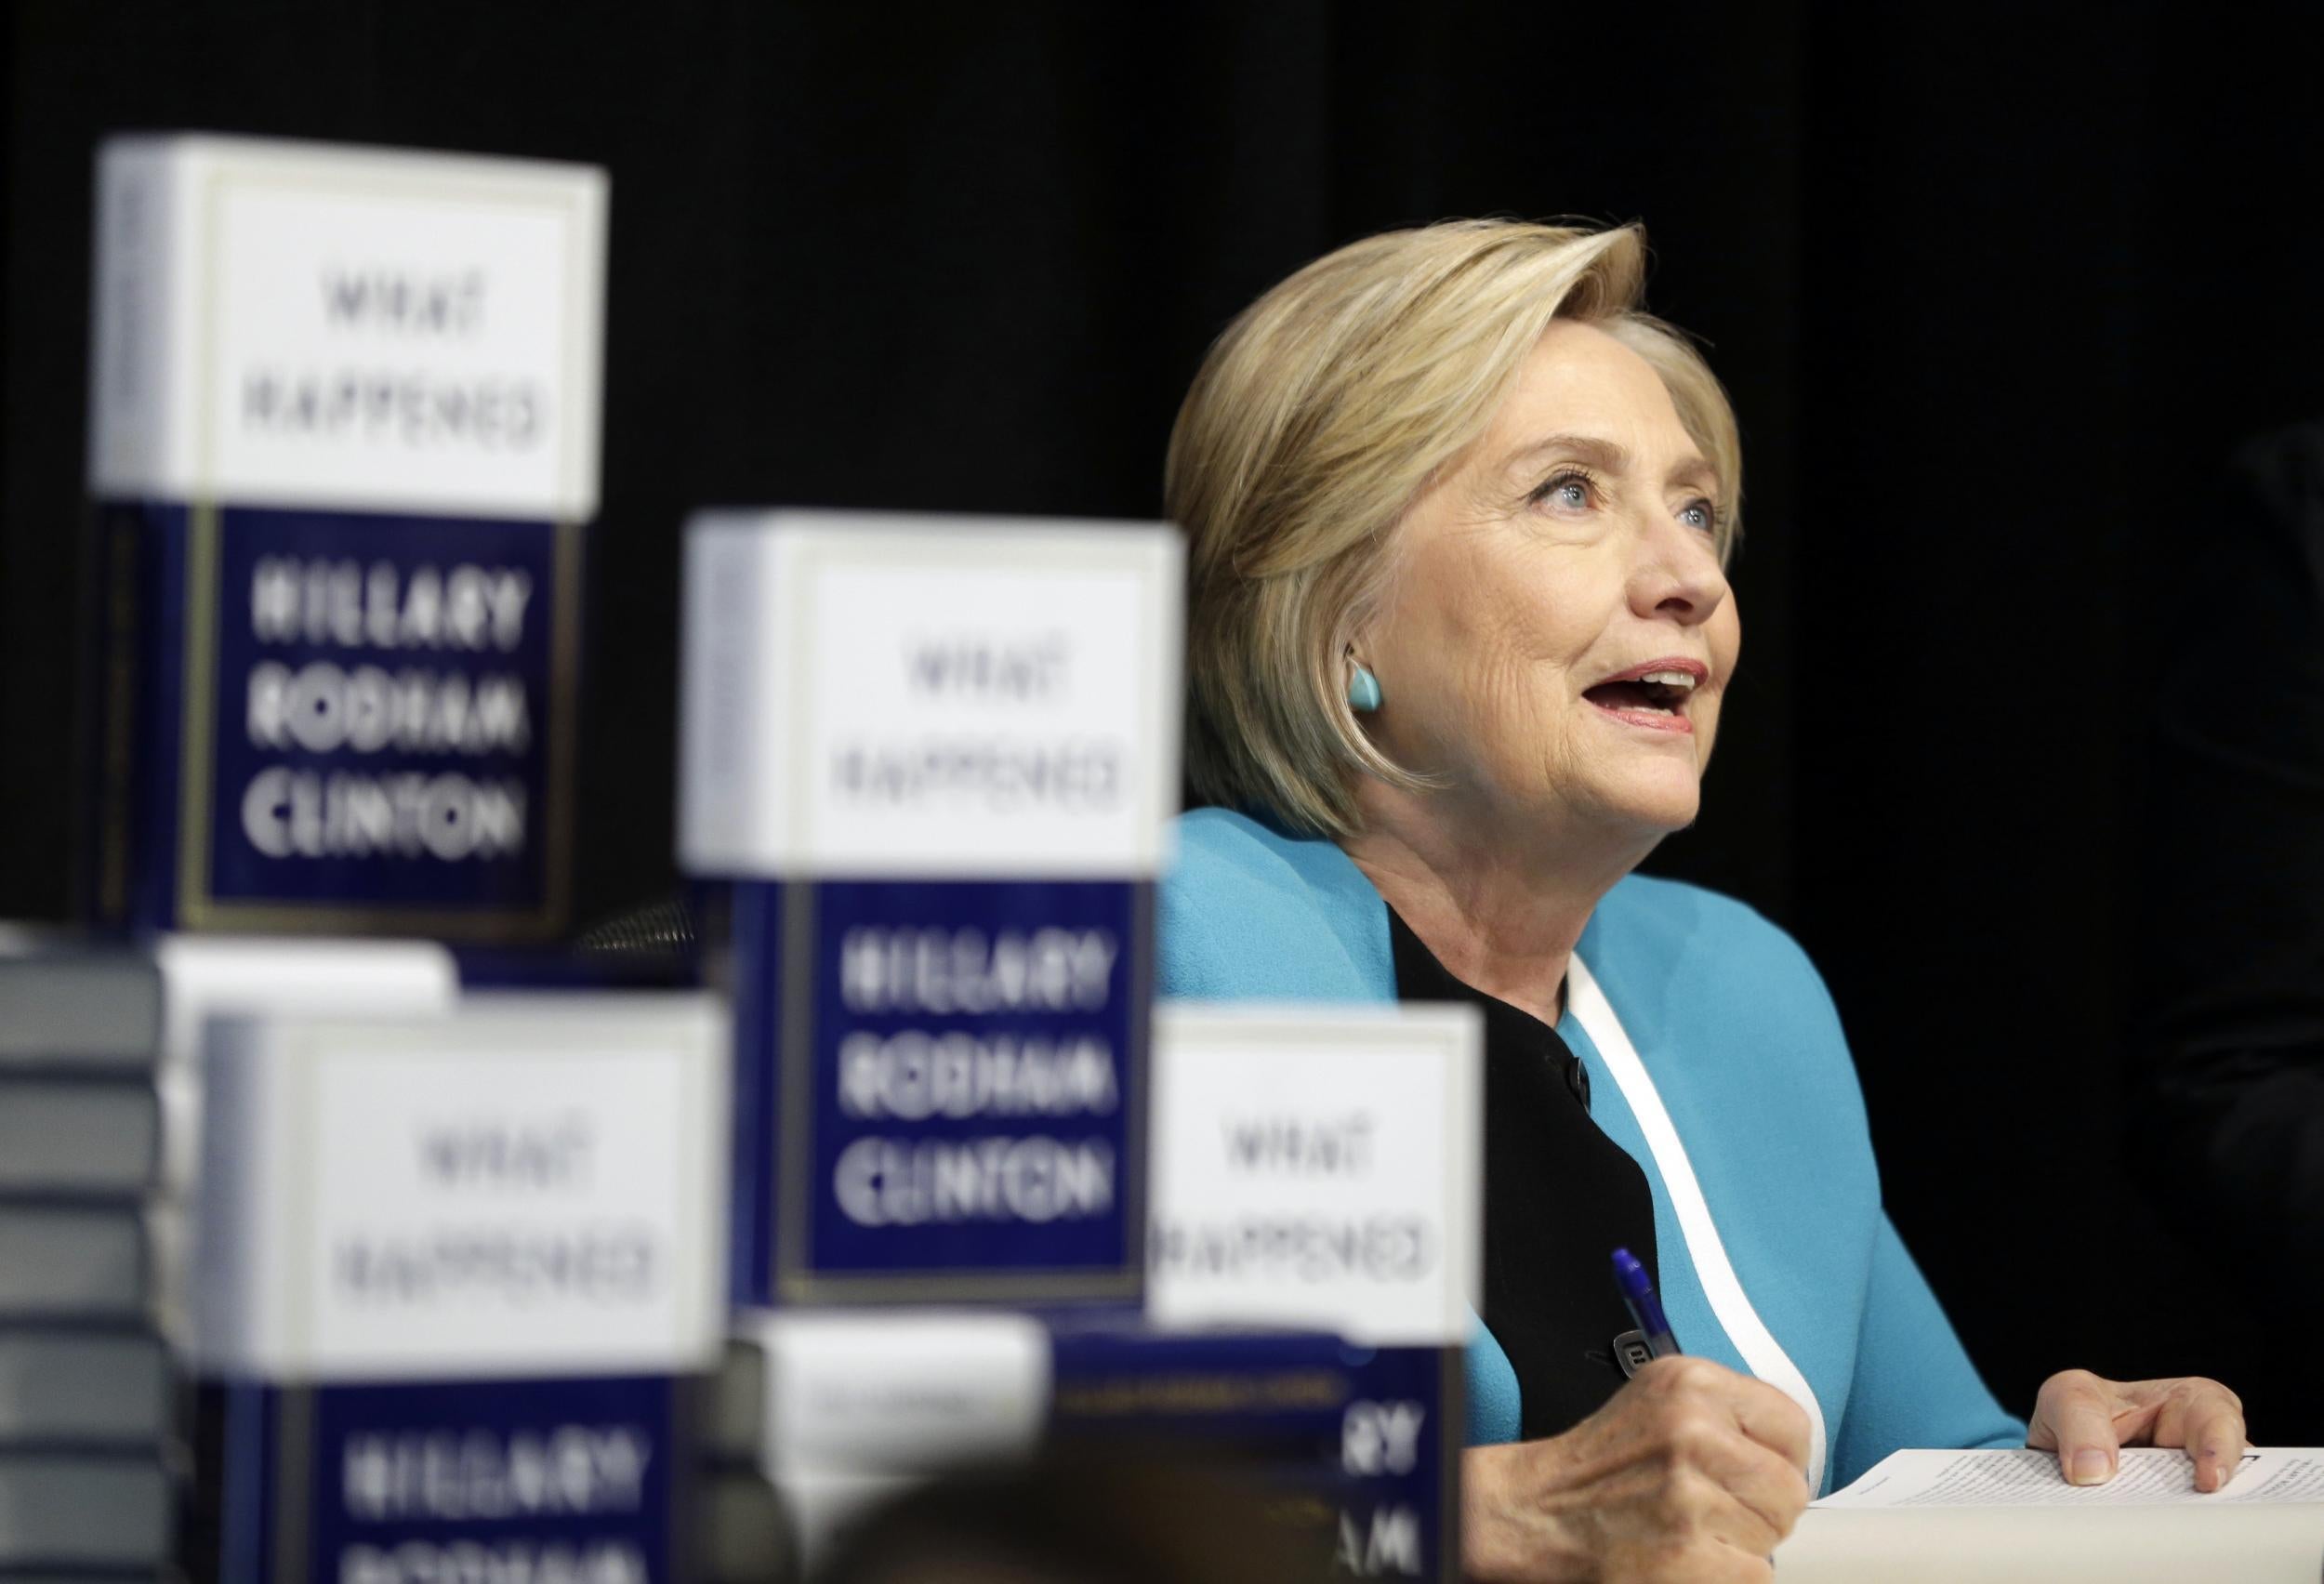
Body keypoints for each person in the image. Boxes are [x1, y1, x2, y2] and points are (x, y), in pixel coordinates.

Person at [1155, 218, 2246, 1581]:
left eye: (1696, 511)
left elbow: (1906, 1477)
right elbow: (943, 1498)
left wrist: (2080, 1469)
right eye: (1568, 492)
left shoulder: (1741, 989)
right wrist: (1481, 1521)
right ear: (1339, 612)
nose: (1692, 582)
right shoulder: (1169, 942)